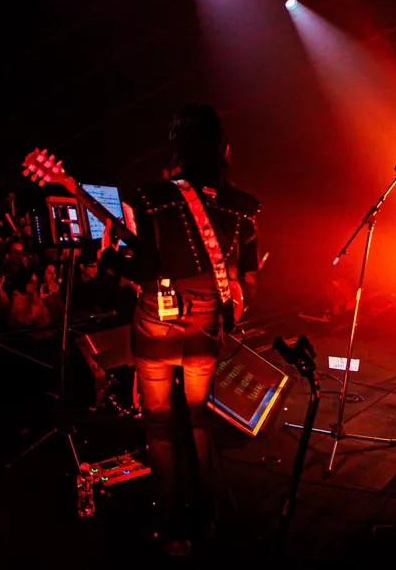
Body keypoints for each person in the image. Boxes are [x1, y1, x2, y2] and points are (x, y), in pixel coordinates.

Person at [124, 103, 261, 556]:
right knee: (199, 417)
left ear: (177, 146)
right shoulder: (244, 207)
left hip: (157, 326)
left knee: (160, 423)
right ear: (222, 148)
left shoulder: (150, 198)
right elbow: (249, 279)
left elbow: (143, 270)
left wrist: (108, 259)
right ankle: (208, 520)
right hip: (205, 324)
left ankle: (172, 528)